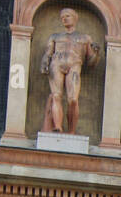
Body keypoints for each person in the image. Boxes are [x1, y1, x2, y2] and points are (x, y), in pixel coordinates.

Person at [40, 7, 101, 136]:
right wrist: (45, 62)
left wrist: (96, 53)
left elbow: (91, 62)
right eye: (62, 17)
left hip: (75, 64)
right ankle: (57, 126)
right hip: (56, 63)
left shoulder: (85, 38)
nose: (64, 19)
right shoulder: (55, 37)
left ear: (75, 18)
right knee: (56, 95)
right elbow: (48, 53)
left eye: (67, 16)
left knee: (73, 99)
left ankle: (71, 131)